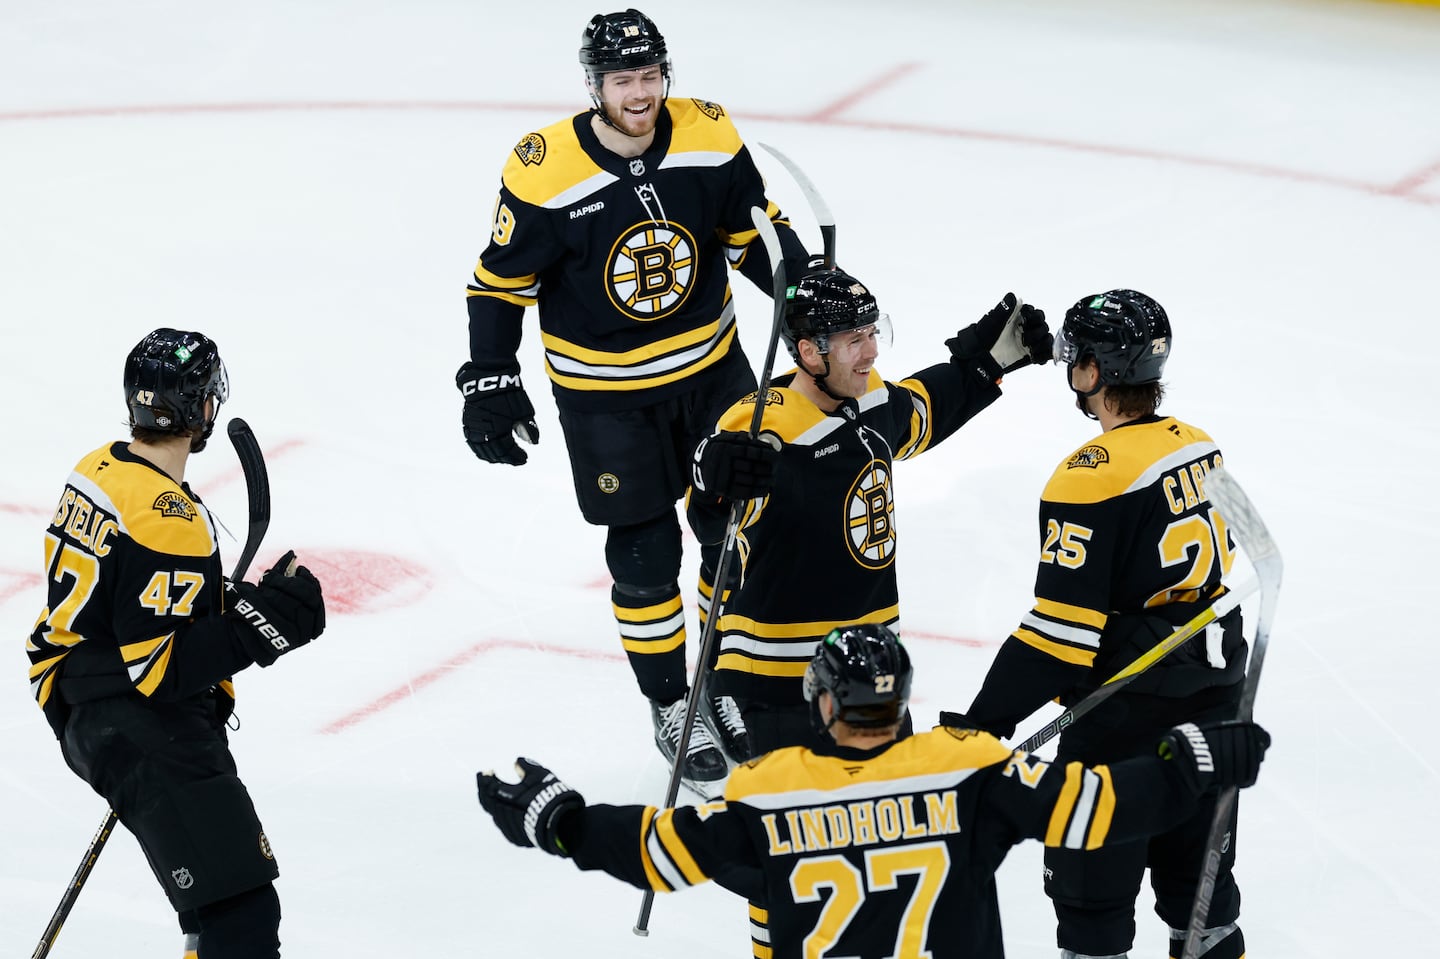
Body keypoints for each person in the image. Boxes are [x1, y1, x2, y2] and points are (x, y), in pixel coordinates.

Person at [454, 7, 814, 794]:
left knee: (737, 525)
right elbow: (499, 282)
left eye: (650, 77)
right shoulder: (544, 167)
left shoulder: (709, 133)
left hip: (713, 376)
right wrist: (490, 376)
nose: (640, 94)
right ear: (595, 87)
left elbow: (752, 233)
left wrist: (805, 289)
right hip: (606, 403)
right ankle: (668, 700)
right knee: (646, 555)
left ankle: (726, 680)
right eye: (624, 80)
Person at [476, 623, 1270, 959]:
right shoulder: (967, 768)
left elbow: (660, 851)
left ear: (823, 701)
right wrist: (1195, 757)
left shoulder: (765, 790)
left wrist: (560, 819)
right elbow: (1099, 810)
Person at [945, 290, 1254, 959]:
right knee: (1202, 904)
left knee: (1093, 913)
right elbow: (1229, 562)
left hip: (1121, 722)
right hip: (1212, 709)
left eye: (1076, 358)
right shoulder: (1200, 445)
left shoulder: (1089, 477)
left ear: (1094, 372)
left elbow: (1058, 638)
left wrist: (981, 721)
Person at [27, 328, 328, 959]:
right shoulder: (171, 522)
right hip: (141, 727)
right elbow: (160, 672)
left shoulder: (99, 467)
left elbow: (128, 597)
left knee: (220, 908)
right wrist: (260, 627)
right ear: (203, 407)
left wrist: (228, 607)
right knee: (238, 916)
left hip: (83, 701)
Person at [685, 267, 1053, 757]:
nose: (872, 350)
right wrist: (711, 478)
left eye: (873, 332)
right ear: (810, 351)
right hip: (782, 674)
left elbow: (923, 409)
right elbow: (712, 523)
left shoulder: (870, 397)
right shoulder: (763, 425)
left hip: (872, 667)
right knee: (800, 827)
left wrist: (983, 366)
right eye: (855, 339)